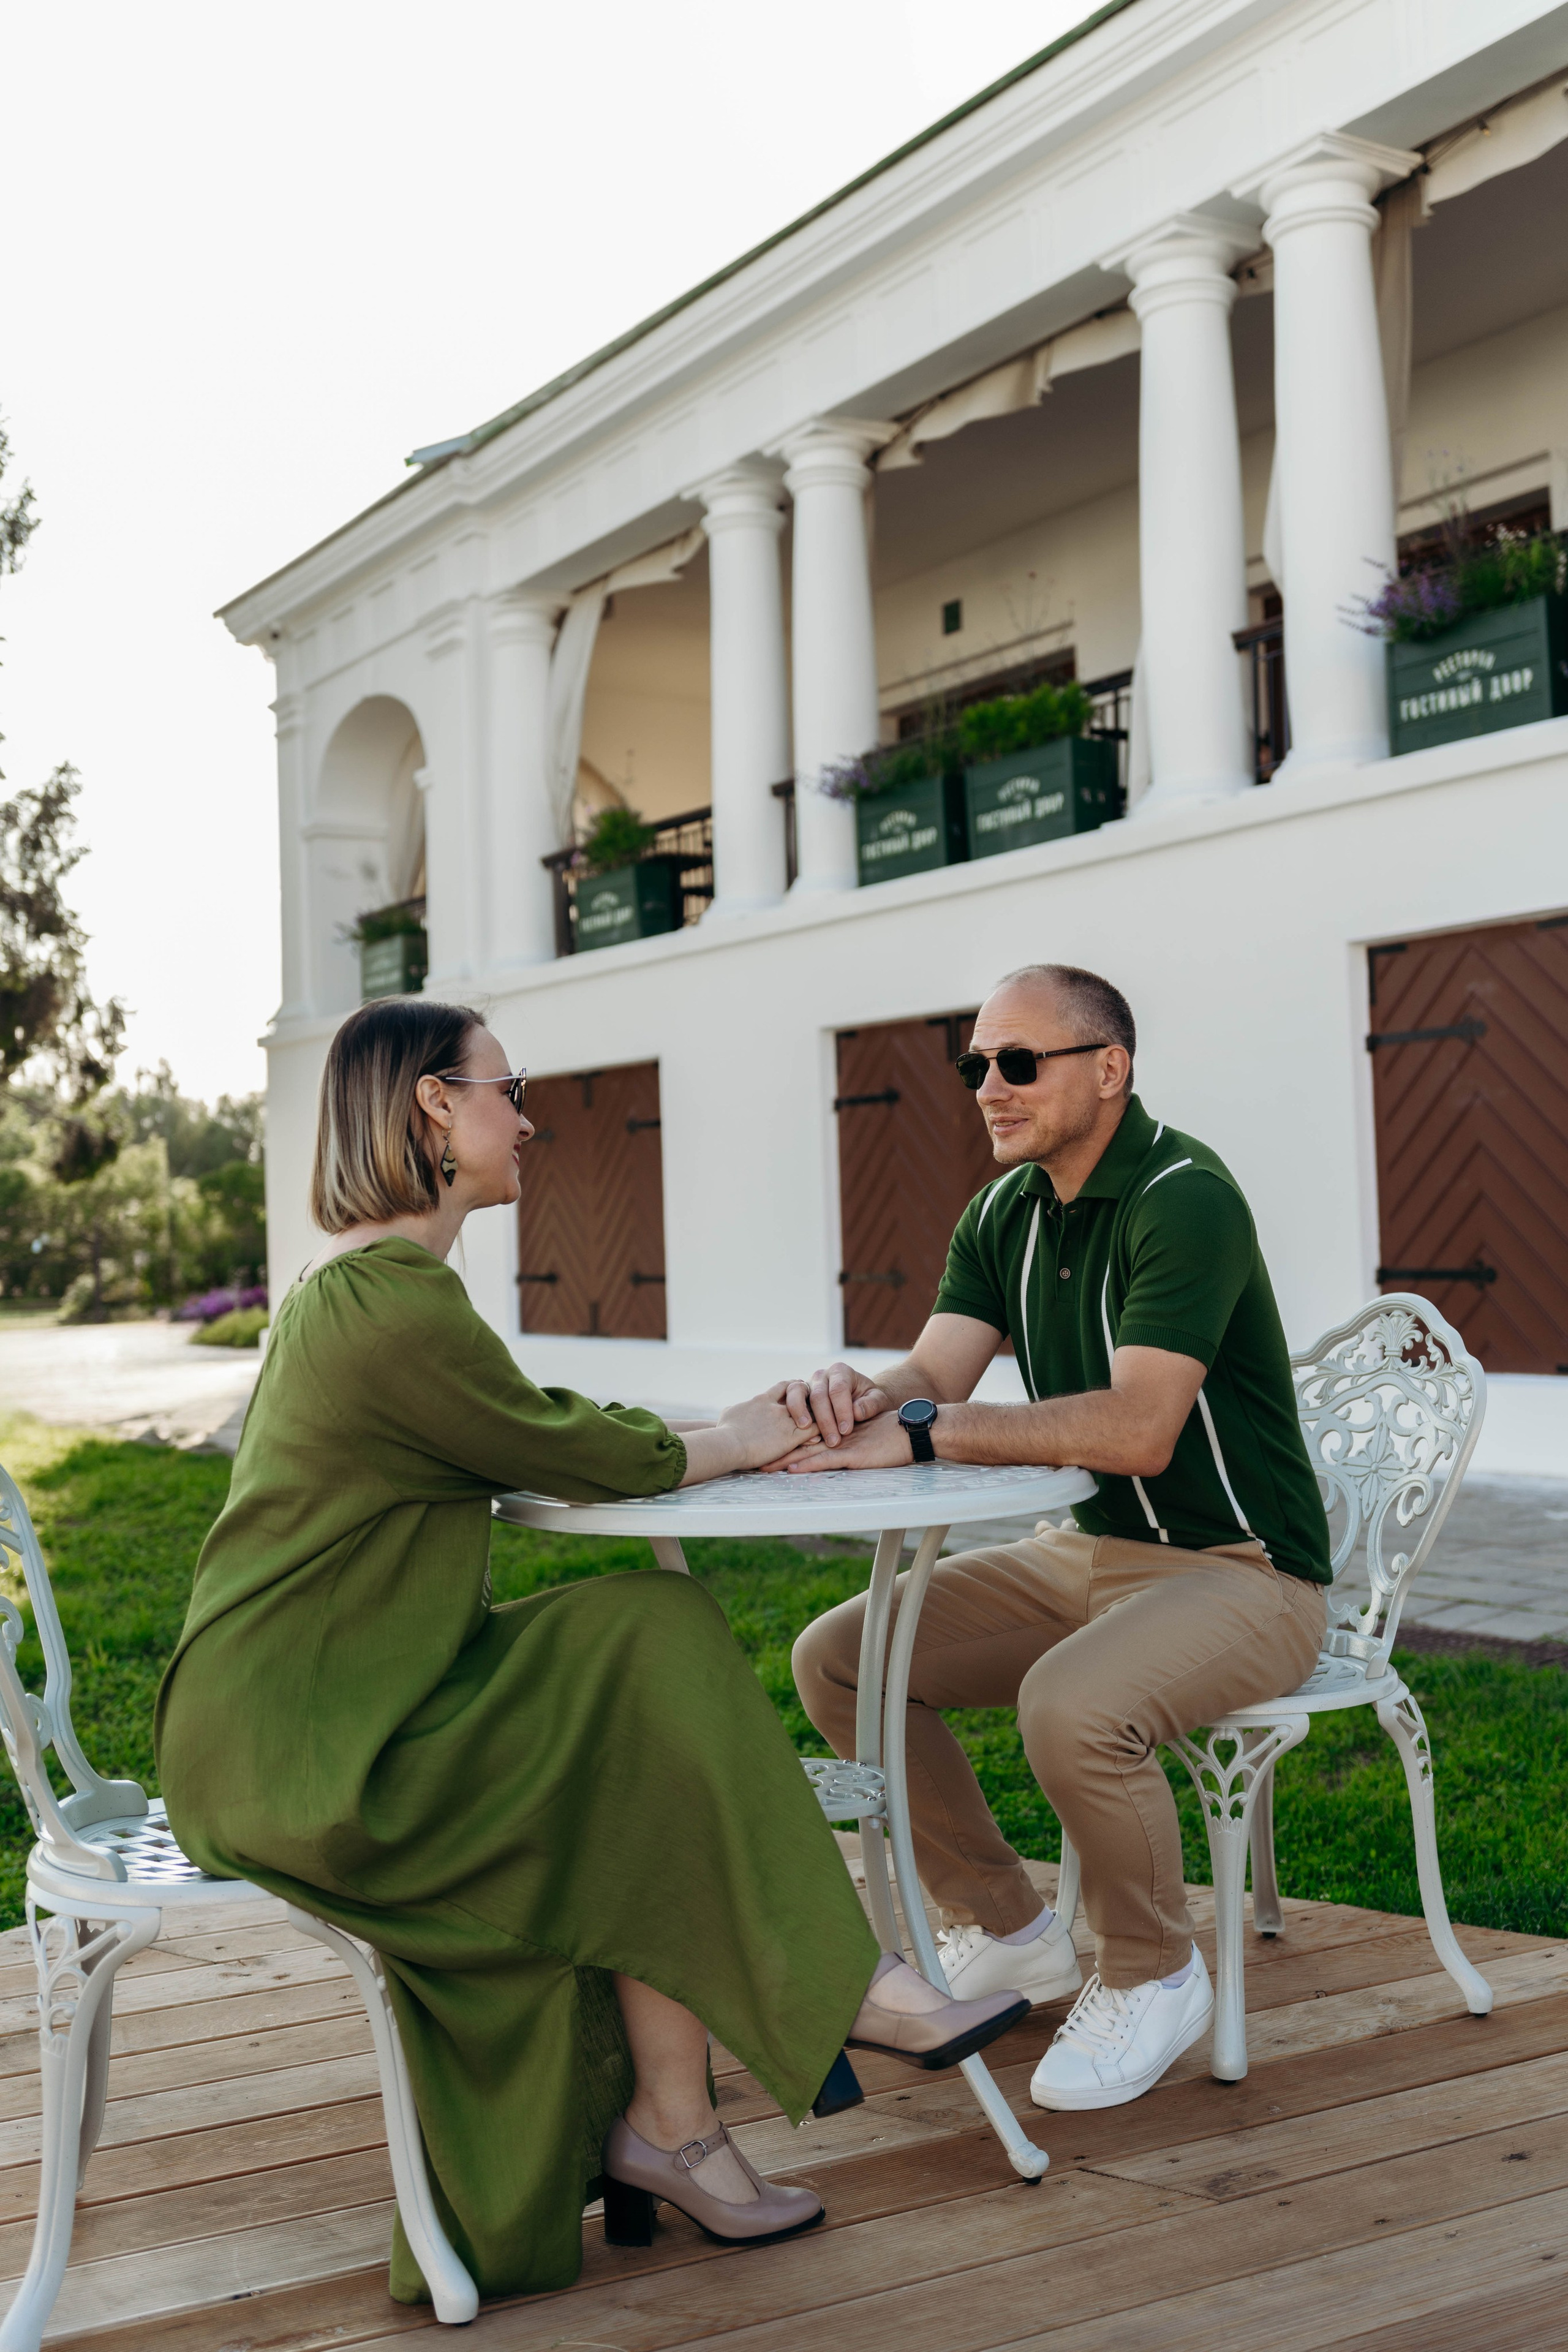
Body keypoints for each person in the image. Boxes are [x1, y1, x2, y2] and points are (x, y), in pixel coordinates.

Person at [155, 999, 1027, 2307]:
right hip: (306, 1749)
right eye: (511, 1090)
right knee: (638, 1696)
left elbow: (545, 1425)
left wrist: (728, 1428)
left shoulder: (379, 1294)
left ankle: (678, 2133)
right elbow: (571, 1447)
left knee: (645, 1643)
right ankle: (833, 1995)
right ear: (435, 1108)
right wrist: (741, 1434)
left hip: (357, 1705)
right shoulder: (386, 1306)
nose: (529, 1118)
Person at [786, 963, 1330, 2112]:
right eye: (977, 1063)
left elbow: (1138, 1429)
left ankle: (1154, 1971)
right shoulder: (1005, 1209)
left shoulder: (1185, 1196)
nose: (990, 1085)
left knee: (1072, 1705)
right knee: (842, 1657)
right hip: (1091, 1553)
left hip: (1245, 1570)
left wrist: (925, 1433)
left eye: (1019, 1062)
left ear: (1108, 1071)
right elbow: (935, 1374)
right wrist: (854, 1403)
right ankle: (1013, 1928)